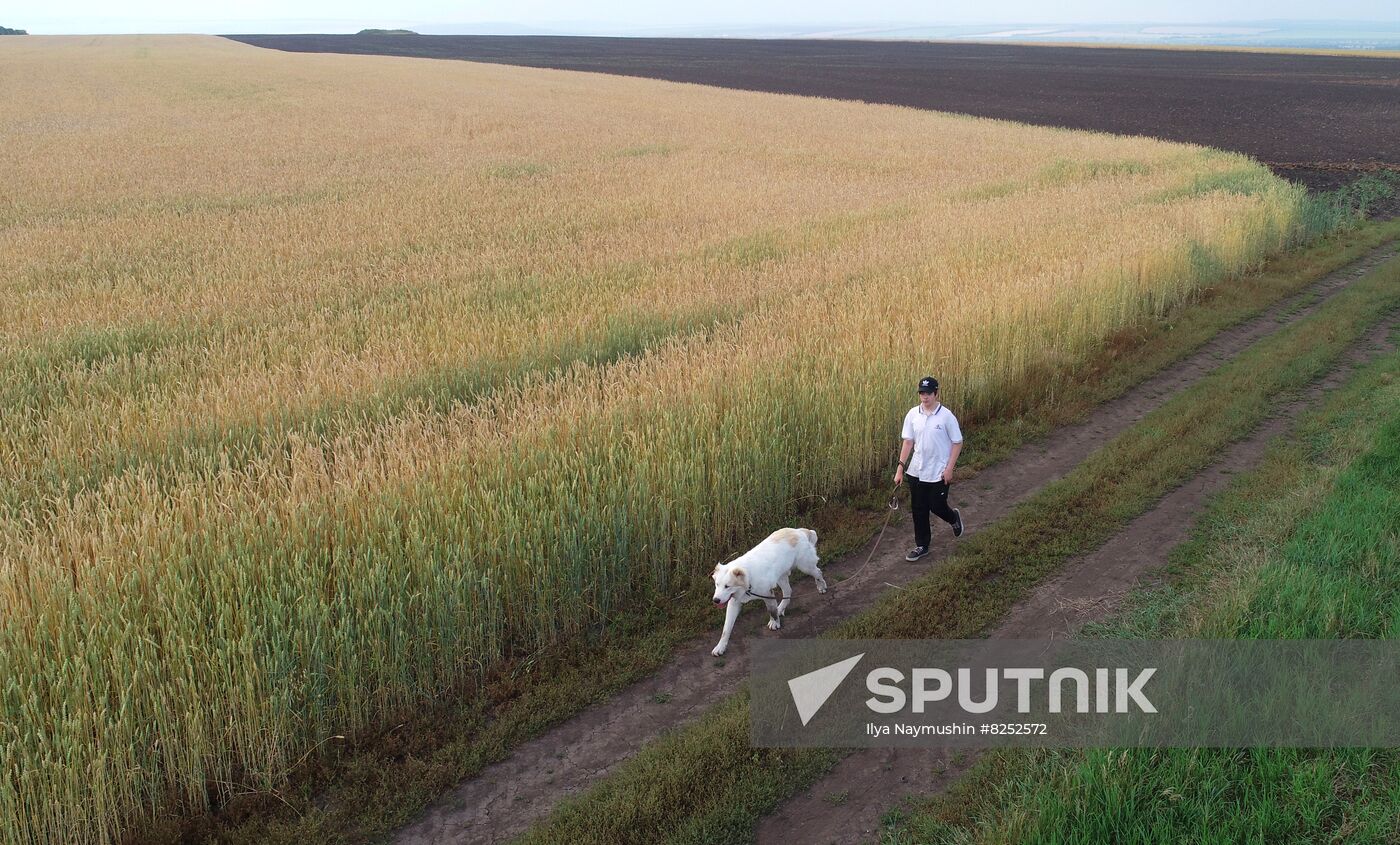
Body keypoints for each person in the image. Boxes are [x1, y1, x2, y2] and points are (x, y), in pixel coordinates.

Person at [894, 375, 964, 561]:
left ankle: (953, 518)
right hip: (917, 470)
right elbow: (908, 442)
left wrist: (950, 468)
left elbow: (957, 443)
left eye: (928, 393)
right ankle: (922, 545)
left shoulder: (946, 416)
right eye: (922, 393)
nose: (925, 397)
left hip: (939, 471)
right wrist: (900, 468)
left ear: (936, 393)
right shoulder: (913, 415)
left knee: (937, 505)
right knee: (919, 509)